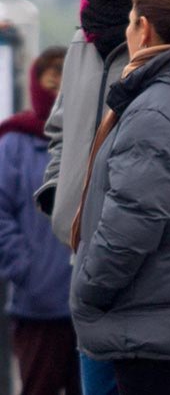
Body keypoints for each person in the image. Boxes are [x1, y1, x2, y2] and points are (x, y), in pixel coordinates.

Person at [32, 0, 168, 395]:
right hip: (87, 258)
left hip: (159, 266)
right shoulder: (81, 44)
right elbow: (61, 131)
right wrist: (60, 201)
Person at [69, 0, 170, 395]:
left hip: (145, 323)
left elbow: (134, 221)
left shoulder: (155, 109)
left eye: (131, 18)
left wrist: (88, 288)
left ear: (143, 27)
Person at [0, 47, 80, 395]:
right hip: (37, 305)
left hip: (88, 303)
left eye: (64, 78)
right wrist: (23, 268)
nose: (57, 87)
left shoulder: (89, 135)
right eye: (49, 80)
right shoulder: (13, 143)